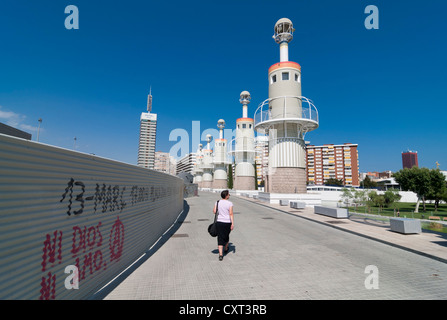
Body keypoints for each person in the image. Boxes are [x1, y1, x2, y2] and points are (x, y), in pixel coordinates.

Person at [213, 189, 234, 261]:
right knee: (226, 236)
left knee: (220, 237)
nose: (229, 195)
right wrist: (232, 223)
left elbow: (214, 211)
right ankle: (225, 248)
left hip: (219, 222)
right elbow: (231, 214)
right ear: (226, 196)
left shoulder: (217, 202)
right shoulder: (230, 203)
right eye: (229, 194)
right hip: (227, 222)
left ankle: (220, 255)